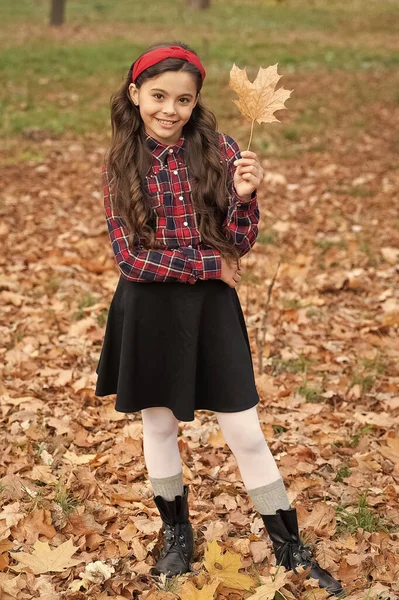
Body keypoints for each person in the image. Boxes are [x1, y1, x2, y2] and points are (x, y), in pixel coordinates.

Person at [94, 41, 343, 597]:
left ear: (196, 101)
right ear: (135, 95)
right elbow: (131, 257)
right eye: (158, 96)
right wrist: (209, 265)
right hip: (149, 307)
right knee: (159, 425)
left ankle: (288, 547)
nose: (169, 109)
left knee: (244, 430)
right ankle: (176, 533)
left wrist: (246, 198)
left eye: (183, 99)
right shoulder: (120, 165)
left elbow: (238, 243)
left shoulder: (221, 149)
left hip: (211, 310)